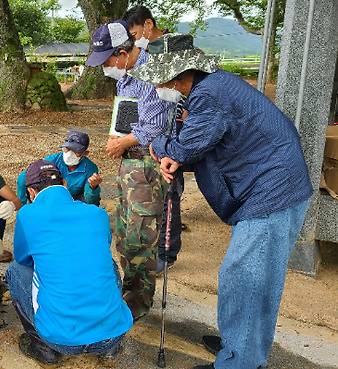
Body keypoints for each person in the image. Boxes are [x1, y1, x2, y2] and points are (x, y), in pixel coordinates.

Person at [129, 33, 312, 369]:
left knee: (244, 279)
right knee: (255, 279)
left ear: (180, 74)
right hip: (270, 186)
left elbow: (189, 144)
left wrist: (164, 149)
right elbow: (201, 144)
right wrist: (176, 152)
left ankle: (238, 361)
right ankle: (240, 346)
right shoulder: (211, 87)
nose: (157, 87)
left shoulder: (210, 96)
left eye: (159, 79)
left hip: (270, 193)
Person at [86, 20, 174, 321]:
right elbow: (129, 113)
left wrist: (124, 141)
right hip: (129, 163)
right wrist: (120, 138)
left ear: (124, 52)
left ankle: (138, 301)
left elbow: (156, 125)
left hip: (148, 163)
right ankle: (129, 289)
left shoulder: (152, 73)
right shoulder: (126, 74)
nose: (107, 67)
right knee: (124, 232)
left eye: (109, 60)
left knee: (140, 235)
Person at [6, 159, 133, 365]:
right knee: (107, 264)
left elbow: (23, 259)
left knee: (15, 270)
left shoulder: (28, 215)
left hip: (61, 339)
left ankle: (42, 347)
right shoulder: (96, 214)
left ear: (31, 192)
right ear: (64, 184)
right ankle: (110, 347)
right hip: (112, 334)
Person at [124, 5, 186, 273]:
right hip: (156, 141)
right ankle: (160, 241)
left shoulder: (175, 47)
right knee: (159, 197)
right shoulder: (145, 53)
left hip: (174, 133)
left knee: (171, 195)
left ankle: (167, 252)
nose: (136, 38)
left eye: (136, 32)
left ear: (148, 25)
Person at [16, 130, 102, 205]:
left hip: (72, 203)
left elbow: (91, 202)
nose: (69, 154)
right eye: (67, 149)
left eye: (76, 151)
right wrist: (22, 206)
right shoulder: (51, 161)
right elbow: (23, 177)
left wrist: (93, 187)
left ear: (85, 153)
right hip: (49, 200)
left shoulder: (90, 169)